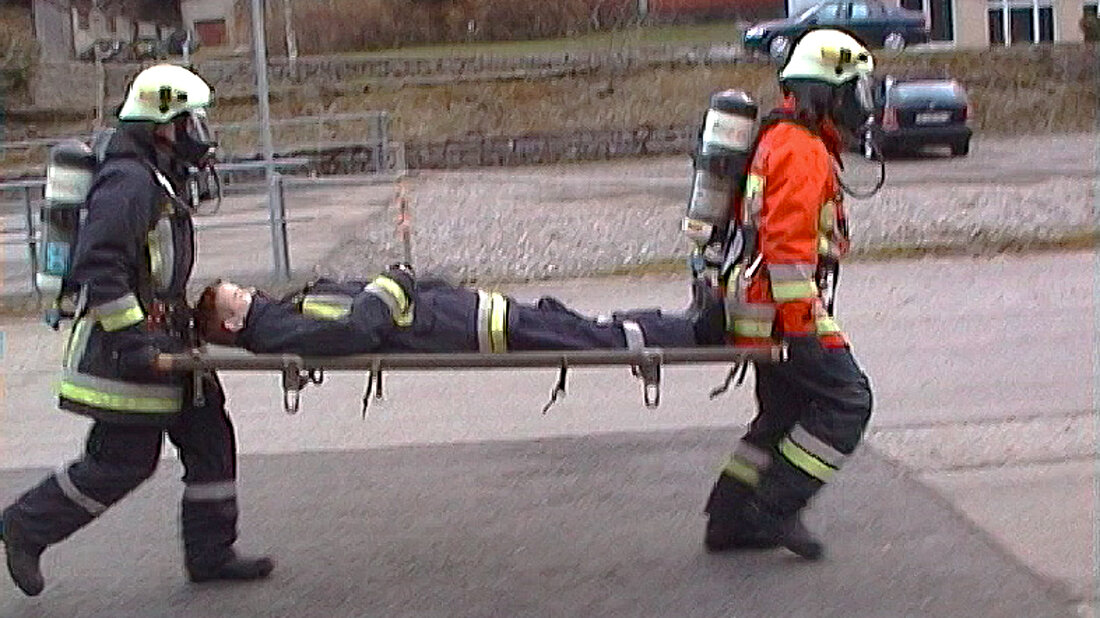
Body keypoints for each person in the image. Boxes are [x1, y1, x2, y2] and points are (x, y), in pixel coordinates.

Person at [1, 64, 272, 597]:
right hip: (127, 349)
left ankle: (211, 554)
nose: (200, 133)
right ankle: (24, 527)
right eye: (192, 120)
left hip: (167, 339)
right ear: (164, 123)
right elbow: (98, 266)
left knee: (210, 437)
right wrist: (134, 343)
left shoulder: (153, 174)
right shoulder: (128, 182)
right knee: (121, 462)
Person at [701, 29, 876, 560]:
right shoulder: (801, 150)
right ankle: (775, 509)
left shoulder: (779, 139)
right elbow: (786, 246)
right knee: (848, 401)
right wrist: (803, 327)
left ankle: (729, 520)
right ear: (823, 95)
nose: (860, 107)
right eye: (852, 94)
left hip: (759, 310)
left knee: (781, 414)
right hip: (782, 315)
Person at [193, 265, 724, 356]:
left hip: (455, 313)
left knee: (576, 324)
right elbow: (358, 330)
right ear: (234, 323)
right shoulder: (280, 327)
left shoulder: (282, 314)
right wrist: (395, 281)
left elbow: (372, 304)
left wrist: (416, 283)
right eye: (236, 294)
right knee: (591, 339)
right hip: (460, 325)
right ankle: (695, 332)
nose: (249, 290)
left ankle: (681, 323)